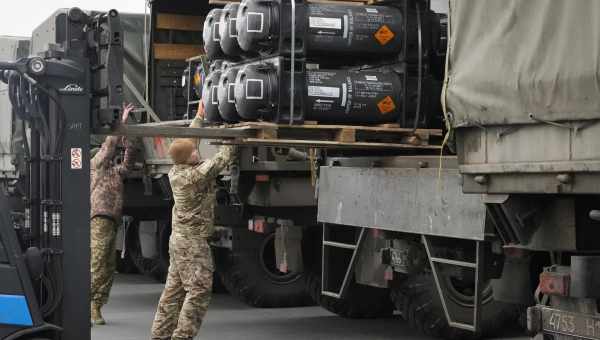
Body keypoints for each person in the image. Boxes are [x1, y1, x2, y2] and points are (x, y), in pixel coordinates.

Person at [151, 104, 237, 340]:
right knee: (198, 290)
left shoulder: (178, 169)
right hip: (192, 244)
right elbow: (221, 161)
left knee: (173, 292)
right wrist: (233, 136)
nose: (197, 152)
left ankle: (160, 336)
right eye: (193, 153)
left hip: (179, 241)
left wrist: (199, 117)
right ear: (187, 158)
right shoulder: (193, 176)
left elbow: (190, 141)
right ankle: (182, 336)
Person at [90, 103, 136, 325]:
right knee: (97, 263)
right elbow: (108, 147)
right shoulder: (95, 166)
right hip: (99, 219)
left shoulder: (116, 173)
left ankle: (97, 305)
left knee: (109, 266)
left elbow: (129, 161)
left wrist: (127, 140)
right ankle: (88, 304)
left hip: (112, 221)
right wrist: (121, 123)